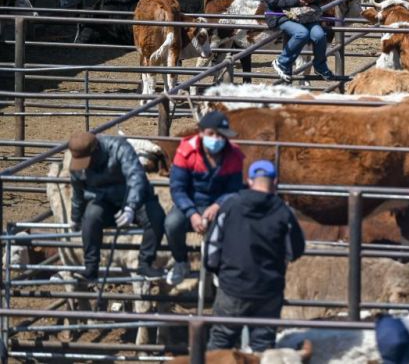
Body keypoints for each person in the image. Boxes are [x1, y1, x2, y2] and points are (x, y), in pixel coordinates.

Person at [205, 160, 306, 351]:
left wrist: (219, 273)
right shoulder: (284, 212)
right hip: (267, 290)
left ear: (249, 180)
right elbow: (295, 250)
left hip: (232, 286)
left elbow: (212, 248)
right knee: (263, 346)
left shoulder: (230, 205)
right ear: (274, 181)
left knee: (220, 341)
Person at [67, 132, 165, 281]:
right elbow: (78, 192)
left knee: (155, 217)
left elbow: (135, 176)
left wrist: (130, 207)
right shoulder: (78, 165)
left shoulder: (118, 147)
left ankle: (145, 263)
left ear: (96, 150)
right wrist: (75, 217)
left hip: (132, 196)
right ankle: (91, 267)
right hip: (103, 200)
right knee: (91, 218)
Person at [165, 111, 244, 285]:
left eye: (220, 135)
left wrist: (217, 205)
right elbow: (178, 188)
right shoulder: (186, 151)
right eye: (211, 134)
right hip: (190, 201)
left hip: (219, 201)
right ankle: (180, 261)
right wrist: (192, 213)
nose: (216, 139)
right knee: (172, 224)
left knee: (229, 224)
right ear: (201, 133)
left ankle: (218, 265)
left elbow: (235, 188)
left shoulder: (234, 154)